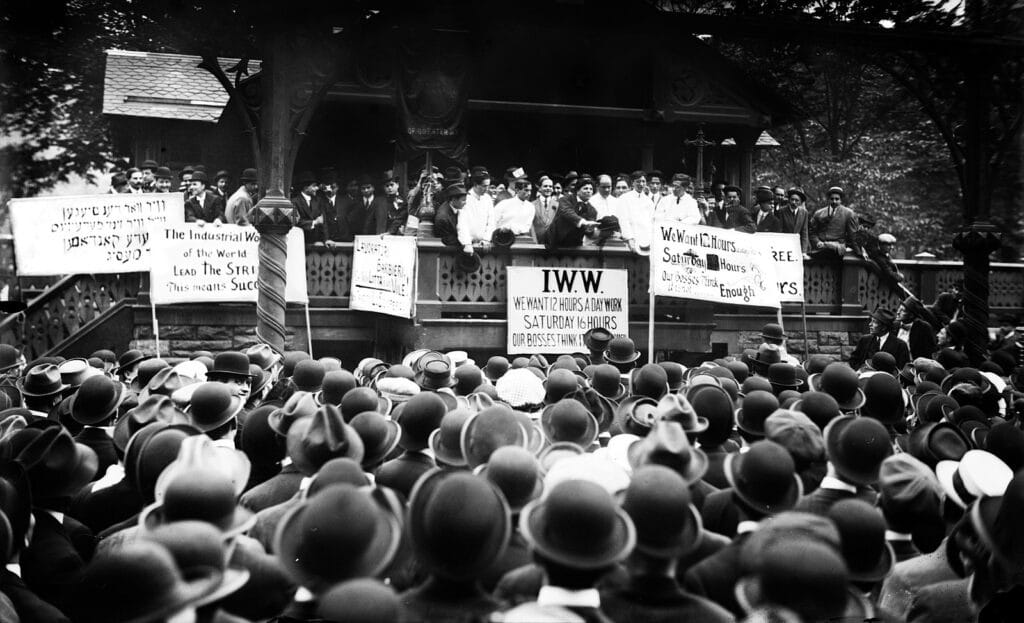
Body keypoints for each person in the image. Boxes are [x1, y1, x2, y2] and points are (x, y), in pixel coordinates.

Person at [545, 176, 599, 250]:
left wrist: (591, 229)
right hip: (554, 242)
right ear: (577, 190)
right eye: (585, 188)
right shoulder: (565, 199)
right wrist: (584, 222)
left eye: (591, 189)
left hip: (574, 245)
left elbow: (588, 231)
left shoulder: (592, 210)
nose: (589, 191)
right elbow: (567, 212)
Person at [809, 186, 859, 259]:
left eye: (837, 199)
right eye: (832, 199)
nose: (834, 201)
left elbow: (853, 235)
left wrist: (859, 252)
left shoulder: (848, 213)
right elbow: (812, 232)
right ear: (828, 199)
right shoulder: (819, 213)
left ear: (841, 200)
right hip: (821, 248)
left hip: (838, 249)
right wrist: (817, 242)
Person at [457, 169, 495, 254]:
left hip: (484, 244)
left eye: (488, 186)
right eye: (484, 186)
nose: (487, 189)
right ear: (475, 185)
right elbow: (462, 223)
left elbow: (491, 221)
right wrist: (466, 243)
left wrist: (487, 238)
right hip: (469, 245)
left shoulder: (488, 198)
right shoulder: (466, 198)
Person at [291, 171, 323, 244]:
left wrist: (324, 240)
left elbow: (323, 222)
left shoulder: (318, 201)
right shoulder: (294, 202)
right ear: (305, 188)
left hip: (317, 242)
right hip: (300, 241)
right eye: (314, 186)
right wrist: (315, 222)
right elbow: (296, 222)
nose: (317, 188)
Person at [433, 184, 468, 250]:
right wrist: (468, 241)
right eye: (463, 200)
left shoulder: (455, 207)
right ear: (454, 199)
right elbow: (448, 240)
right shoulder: (443, 218)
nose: (465, 203)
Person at [777, 186, 811, 253]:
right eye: (792, 199)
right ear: (789, 200)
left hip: (798, 245)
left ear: (800, 202)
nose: (793, 202)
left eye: (797, 200)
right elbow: (779, 231)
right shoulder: (781, 211)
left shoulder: (804, 212)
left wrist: (803, 251)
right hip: (785, 245)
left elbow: (804, 232)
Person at [532, 175, 558, 242]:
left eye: (550, 186)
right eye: (545, 186)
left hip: (553, 243)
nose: (548, 188)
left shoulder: (558, 205)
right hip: (537, 242)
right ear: (539, 188)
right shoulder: (532, 205)